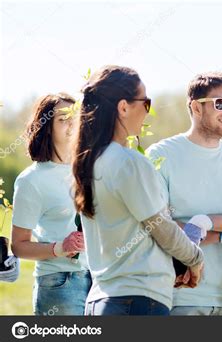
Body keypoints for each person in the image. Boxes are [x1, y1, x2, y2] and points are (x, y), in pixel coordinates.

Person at [72, 65, 204, 316]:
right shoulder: (129, 162)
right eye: (145, 102)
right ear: (123, 107)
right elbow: (160, 227)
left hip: (99, 300)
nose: (147, 110)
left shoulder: (88, 163)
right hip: (137, 302)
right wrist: (195, 259)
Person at [147, 72, 222, 316]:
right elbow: (158, 227)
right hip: (177, 294)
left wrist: (203, 224)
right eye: (220, 103)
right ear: (195, 108)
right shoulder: (161, 154)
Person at [11, 93, 91, 315]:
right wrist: (60, 248)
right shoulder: (32, 180)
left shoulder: (89, 171)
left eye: (76, 118)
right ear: (46, 127)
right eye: (63, 119)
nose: (72, 124)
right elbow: (18, 245)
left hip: (100, 280)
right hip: (59, 284)